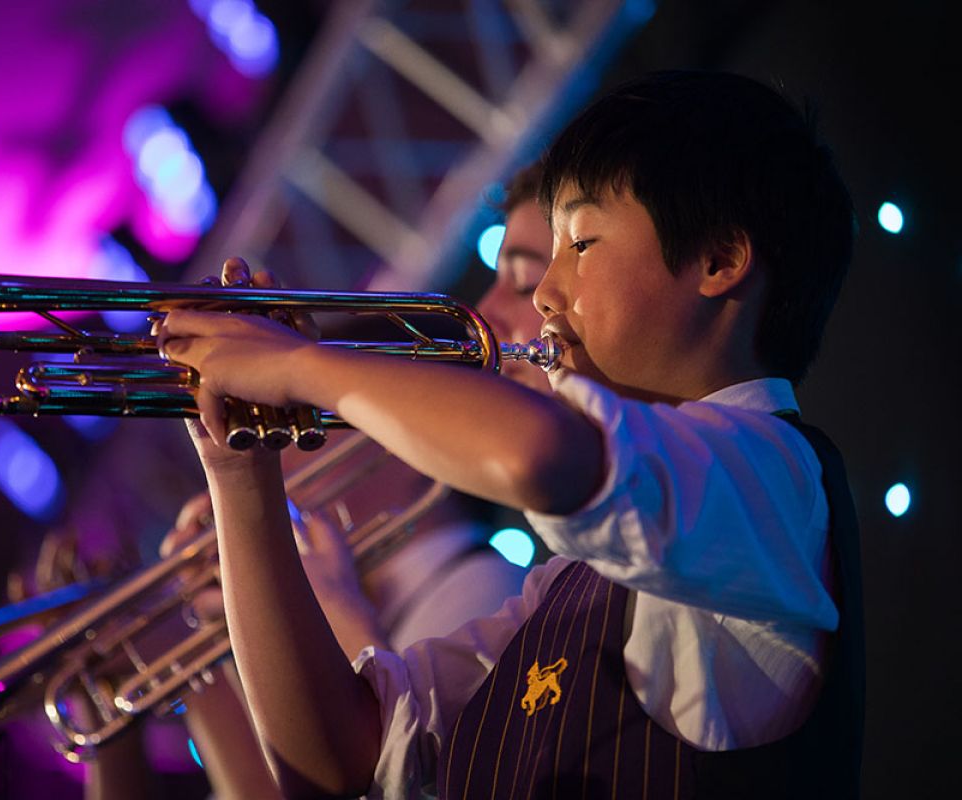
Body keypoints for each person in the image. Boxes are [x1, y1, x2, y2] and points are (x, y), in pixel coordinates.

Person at [157, 69, 862, 799]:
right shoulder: (567, 584)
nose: (548, 295)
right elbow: (339, 758)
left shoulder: (777, 476)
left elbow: (539, 451)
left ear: (718, 260)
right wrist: (241, 473)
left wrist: (305, 366)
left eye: (581, 243)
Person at [87, 165, 557, 800]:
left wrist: (337, 612)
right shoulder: (543, 589)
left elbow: (402, 779)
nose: (286, 447)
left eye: (309, 424)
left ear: (391, 439)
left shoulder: (486, 590)